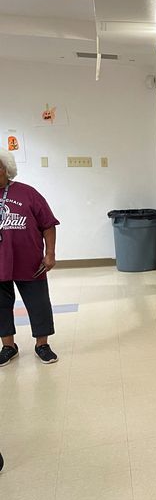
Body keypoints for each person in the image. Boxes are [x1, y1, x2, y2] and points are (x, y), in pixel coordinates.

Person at [0, 150, 60, 367]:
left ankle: (42, 345)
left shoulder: (27, 193)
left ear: (6, 169)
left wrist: (50, 254)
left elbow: (48, 224)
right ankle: (8, 346)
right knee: (0, 306)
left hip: (30, 261)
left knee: (38, 303)